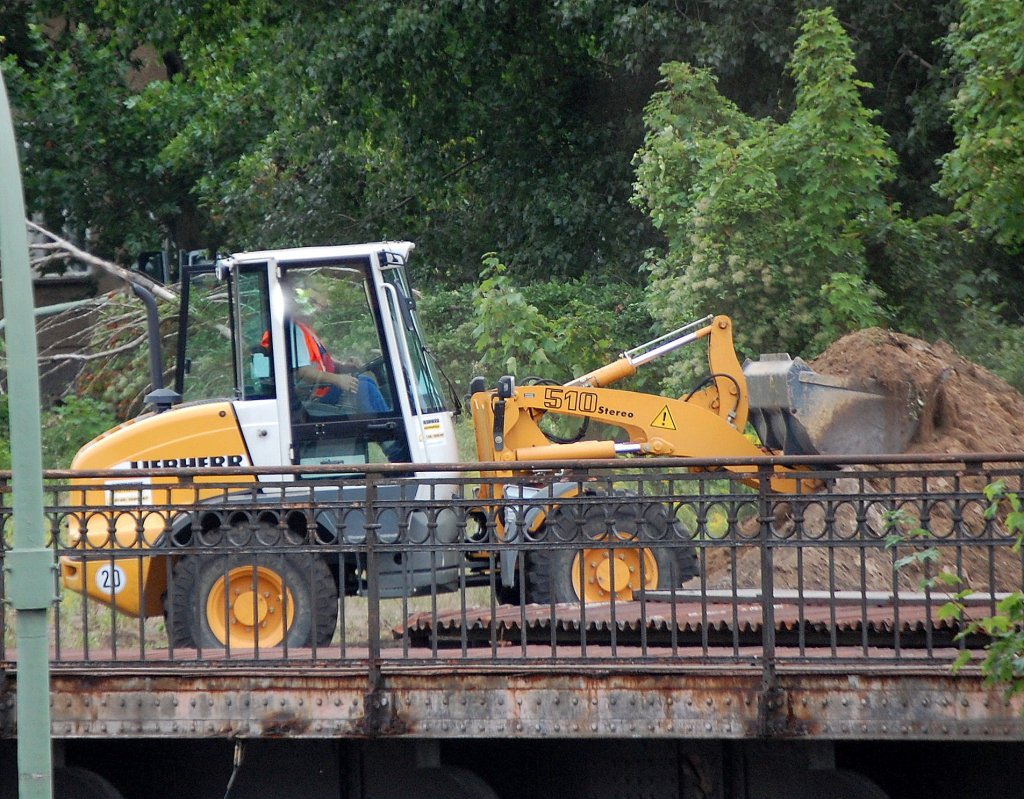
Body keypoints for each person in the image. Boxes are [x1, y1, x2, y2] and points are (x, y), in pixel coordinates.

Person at [287, 319, 389, 413]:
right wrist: (338, 379)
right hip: (311, 396)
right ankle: (385, 423)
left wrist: (343, 366)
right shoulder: (293, 330)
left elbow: (322, 361)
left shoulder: (305, 328)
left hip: (323, 387)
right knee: (364, 388)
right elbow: (302, 371)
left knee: (366, 380)